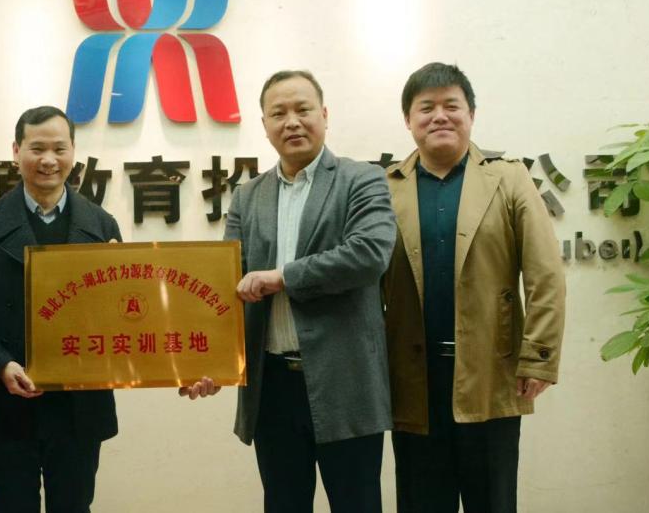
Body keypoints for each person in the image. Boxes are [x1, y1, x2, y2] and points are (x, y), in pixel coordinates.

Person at [383, 62, 566, 513]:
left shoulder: (509, 178)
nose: (439, 116)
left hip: (490, 375)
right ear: (408, 119)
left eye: (452, 105)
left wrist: (539, 358)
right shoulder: (384, 188)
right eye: (426, 107)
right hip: (413, 380)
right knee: (421, 503)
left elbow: (545, 275)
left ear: (472, 114)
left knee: (493, 501)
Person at [220, 70, 396, 513]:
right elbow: (225, 285)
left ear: (325, 114)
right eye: (278, 113)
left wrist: (282, 277)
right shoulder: (247, 196)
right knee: (283, 504)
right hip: (273, 385)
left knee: (357, 504)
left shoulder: (362, 179)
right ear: (264, 125)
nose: (292, 122)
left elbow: (369, 254)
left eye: (303, 109)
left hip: (345, 380)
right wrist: (207, 363)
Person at [0, 106, 121, 513]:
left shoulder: (102, 225)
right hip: (6, 399)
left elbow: (119, 313)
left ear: (74, 152)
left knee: (74, 506)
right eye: (37, 149)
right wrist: (0, 364)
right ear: (16, 151)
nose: (48, 160)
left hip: (79, 405)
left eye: (59, 148)